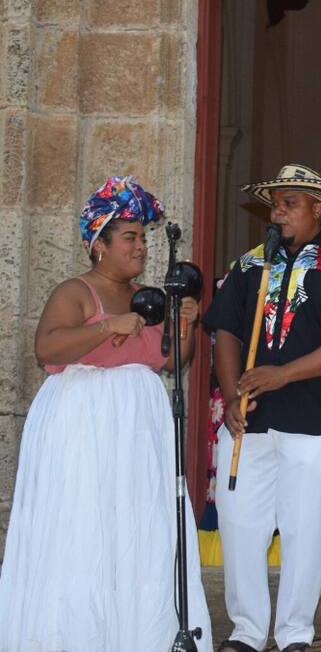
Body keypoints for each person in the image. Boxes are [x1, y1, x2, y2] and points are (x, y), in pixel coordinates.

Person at [0, 176, 213, 650]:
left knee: (134, 528)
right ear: (99, 244)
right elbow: (47, 348)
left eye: (143, 238)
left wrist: (186, 325)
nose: (141, 247)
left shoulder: (149, 295)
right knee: (83, 524)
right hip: (84, 423)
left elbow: (172, 361)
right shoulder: (76, 291)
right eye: (130, 237)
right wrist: (106, 327)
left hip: (138, 428)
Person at [204, 164, 321, 652]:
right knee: (240, 524)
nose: (277, 212)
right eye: (275, 204)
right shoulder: (249, 265)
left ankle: (295, 633)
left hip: (316, 420)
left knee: (307, 529)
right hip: (249, 421)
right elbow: (225, 332)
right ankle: (246, 631)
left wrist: (282, 374)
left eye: (289, 203)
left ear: (318, 210)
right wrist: (232, 395)